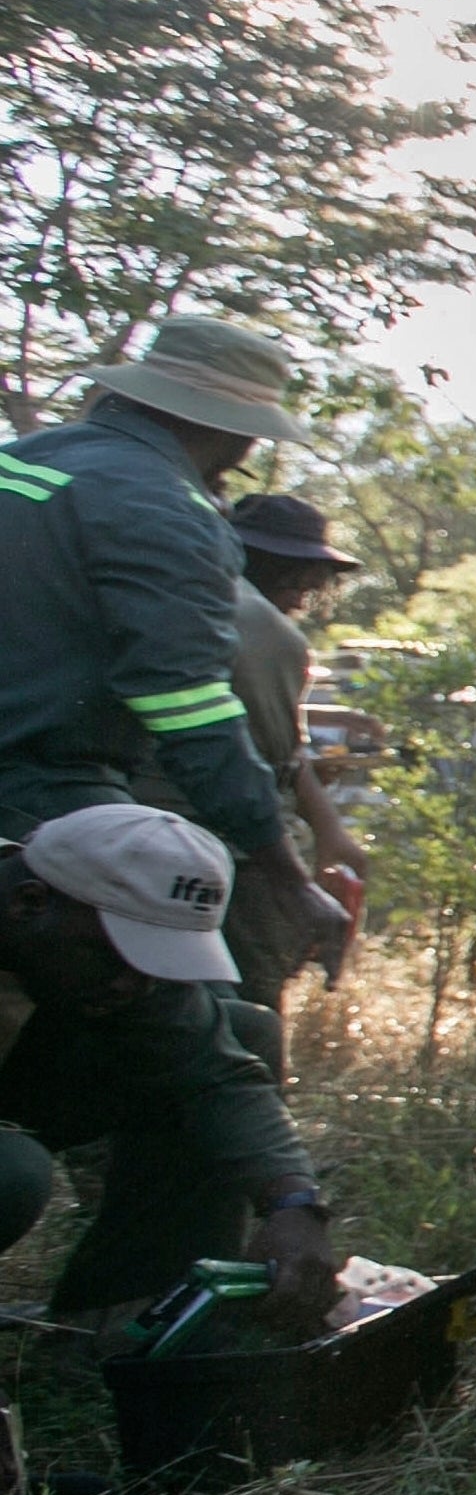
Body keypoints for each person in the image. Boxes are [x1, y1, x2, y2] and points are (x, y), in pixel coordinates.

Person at [0, 317, 352, 986]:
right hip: (43, 803)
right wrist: (287, 877)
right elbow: (190, 713)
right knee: (185, 1040)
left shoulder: (21, 461)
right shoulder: (168, 510)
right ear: (231, 432)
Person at [0, 805, 339, 1329]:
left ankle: (130, 1313)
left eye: (156, 965)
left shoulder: (105, 970)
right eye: (121, 958)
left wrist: (294, 1205)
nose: (133, 986)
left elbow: (219, 1077)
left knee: (242, 1030)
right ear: (30, 903)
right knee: (12, 1170)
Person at [213, 494, 370, 1010]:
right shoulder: (265, 630)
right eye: (299, 574)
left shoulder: (184, 600)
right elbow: (276, 758)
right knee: (247, 1016)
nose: (307, 591)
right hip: (236, 858)